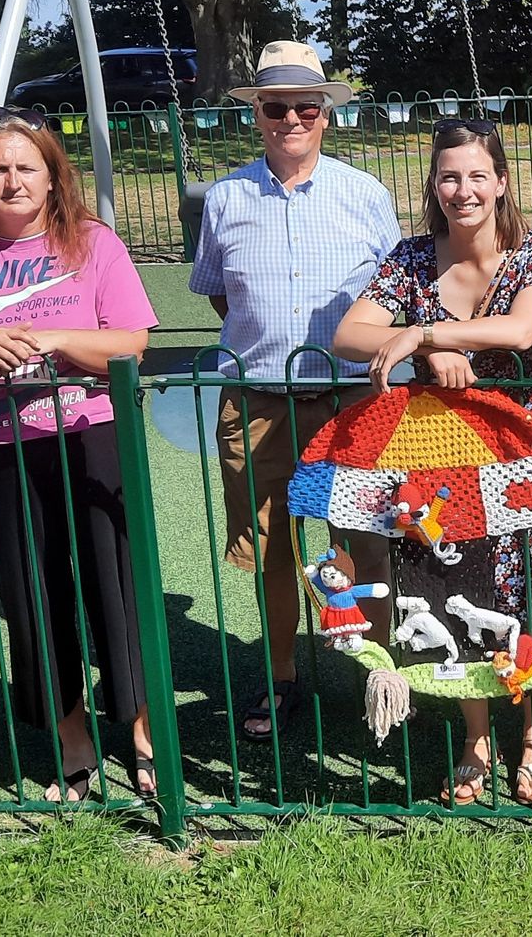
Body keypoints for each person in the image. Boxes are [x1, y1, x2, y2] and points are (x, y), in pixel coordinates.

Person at [0, 108, 159, 800]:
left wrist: (53, 336)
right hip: (1, 448)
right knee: (31, 595)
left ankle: (142, 731)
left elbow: (132, 342)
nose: (13, 179)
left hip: (95, 437)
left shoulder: (93, 243)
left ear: (53, 177)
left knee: (117, 587)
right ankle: (71, 735)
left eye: (28, 166)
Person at [333, 118, 532, 805]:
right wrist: (425, 349)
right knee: (452, 588)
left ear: (500, 182)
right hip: (439, 458)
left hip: (522, 451)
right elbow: (350, 331)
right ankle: (475, 737)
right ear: (434, 186)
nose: (463, 189)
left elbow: (522, 329)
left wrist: (423, 332)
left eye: (476, 175)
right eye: (448, 177)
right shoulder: (412, 258)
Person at [188, 41, 400, 741]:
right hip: (258, 406)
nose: (290, 119)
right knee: (271, 550)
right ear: (258, 115)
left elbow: (392, 297)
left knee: (365, 546)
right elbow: (224, 299)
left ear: (325, 115)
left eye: (304, 106)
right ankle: (281, 676)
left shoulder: (366, 196)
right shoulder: (224, 198)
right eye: (275, 106)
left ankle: (383, 673)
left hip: (352, 405)